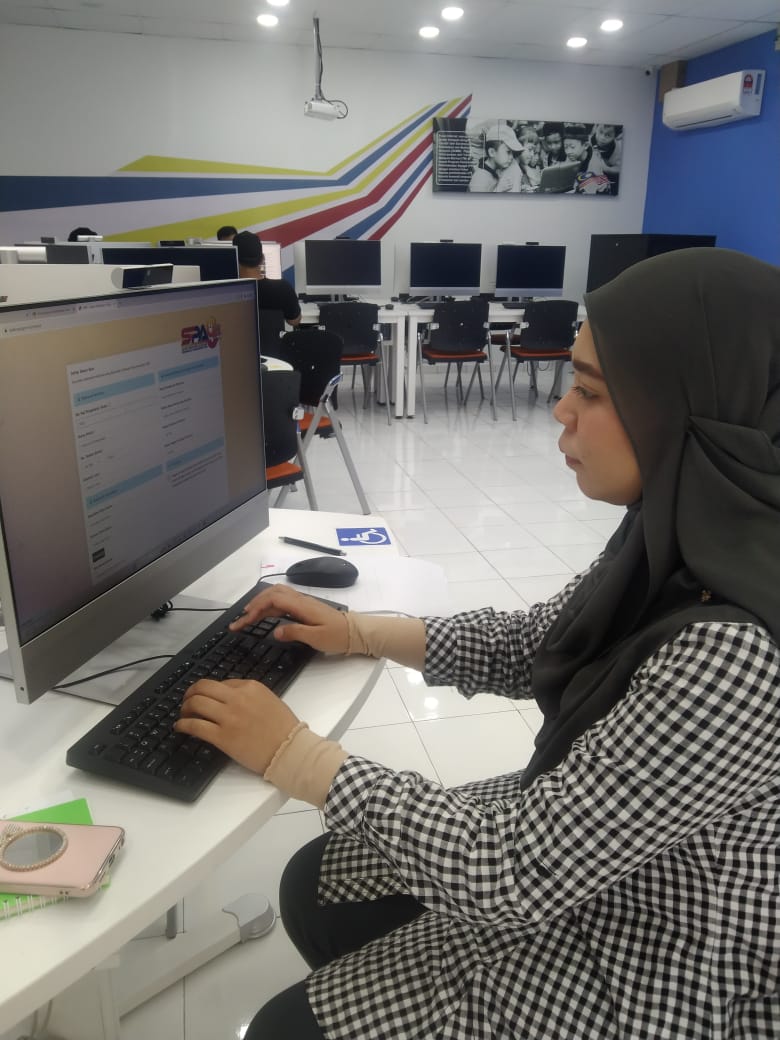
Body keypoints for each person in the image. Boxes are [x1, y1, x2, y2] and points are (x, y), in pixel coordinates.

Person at [175, 249, 780, 1038]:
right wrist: (360, 630)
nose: (561, 411)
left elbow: (517, 871)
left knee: (282, 1029)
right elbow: (536, 643)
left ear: (691, 409)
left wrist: (297, 755)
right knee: (316, 882)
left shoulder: (737, 651)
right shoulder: (681, 529)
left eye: (591, 391)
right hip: (602, 853)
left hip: (663, 949)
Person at [233, 229, 301, 327]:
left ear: (234, 258)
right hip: (273, 337)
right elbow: (294, 321)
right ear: (262, 258)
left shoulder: (227, 291)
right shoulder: (283, 288)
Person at [468, 121, 522, 192]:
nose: (511, 157)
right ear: (492, 152)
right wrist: (498, 190)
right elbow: (476, 199)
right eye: (508, 152)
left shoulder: (497, 170)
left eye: (513, 153)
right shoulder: (480, 177)